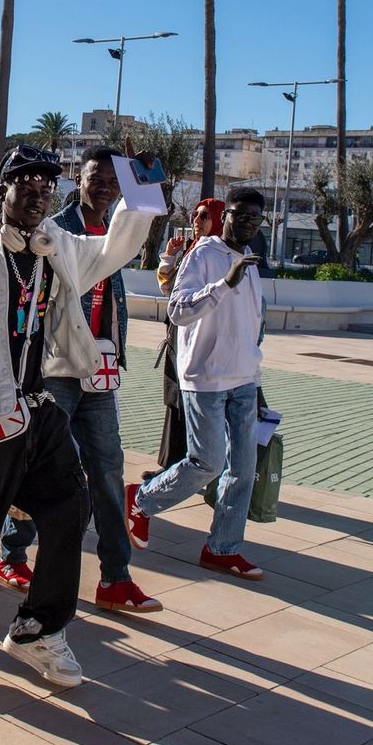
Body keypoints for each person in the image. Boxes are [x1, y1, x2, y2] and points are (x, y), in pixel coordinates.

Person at [0, 143, 155, 698]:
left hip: (37, 410)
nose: (38, 195)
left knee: (71, 508)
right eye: (26, 184)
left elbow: (114, 248)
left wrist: (140, 188)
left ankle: (37, 629)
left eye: (47, 187)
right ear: (4, 189)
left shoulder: (56, 246)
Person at [0, 144, 161, 614]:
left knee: (108, 471)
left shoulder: (115, 229)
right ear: (77, 181)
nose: (104, 187)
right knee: (43, 466)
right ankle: (11, 554)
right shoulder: (55, 230)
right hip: (56, 370)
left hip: (100, 371)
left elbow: (114, 298)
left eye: (113, 181)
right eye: (95, 179)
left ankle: (116, 578)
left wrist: (144, 180)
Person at [126, 187, 270, 582]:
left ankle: (223, 548)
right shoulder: (203, 255)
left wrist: (257, 383)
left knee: (242, 471)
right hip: (205, 379)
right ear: (226, 216)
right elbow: (177, 310)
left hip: (243, 381)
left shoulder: (250, 261)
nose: (247, 223)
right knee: (207, 462)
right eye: (239, 214)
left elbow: (251, 329)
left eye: (255, 217)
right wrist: (223, 284)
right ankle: (140, 500)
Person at [152, 197, 223, 472]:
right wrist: (169, 256)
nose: (197, 220)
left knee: (193, 402)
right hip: (177, 338)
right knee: (174, 399)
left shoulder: (217, 256)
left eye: (204, 216)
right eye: (195, 214)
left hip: (197, 342)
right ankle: (170, 465)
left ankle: (190, 466)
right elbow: (169, 289)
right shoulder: (192, 251)